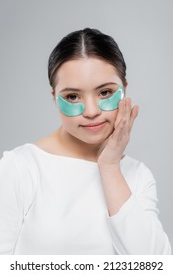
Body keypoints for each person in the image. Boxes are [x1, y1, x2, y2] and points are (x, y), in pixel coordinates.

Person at [0, 28, 171, 255]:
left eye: (105, 93)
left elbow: (155, 265)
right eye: (72, 96)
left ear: (124, 89)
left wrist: (109, 167)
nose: (91, 111)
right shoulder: (20, 168)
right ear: (54, 98)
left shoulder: (138, 175)